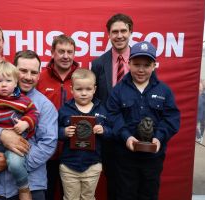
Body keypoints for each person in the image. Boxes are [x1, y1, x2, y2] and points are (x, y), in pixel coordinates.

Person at [0, 50, 58, 200]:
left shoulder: (45, 106)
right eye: (23, 71)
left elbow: (48, 145)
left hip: (31, 187)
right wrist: (2, 135)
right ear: (13, 71)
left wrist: (10, 163)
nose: (28, 77)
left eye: (34, 72)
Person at [106, 41, 180, 200]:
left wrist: (159, 138)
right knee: (124, 195)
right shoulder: (118, 90)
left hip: (153, 159)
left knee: (149, 195)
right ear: (129, 63)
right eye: (136, 64)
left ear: (154, 65)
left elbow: (171, 119)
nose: (141, 69)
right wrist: (126, 137)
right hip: (125, 158)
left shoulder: (164, 91)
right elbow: (112, 116)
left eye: (146, 65)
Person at [91, 13, 133, 200]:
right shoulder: (99, 63)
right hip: (110, 137)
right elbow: (96, 99)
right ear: (108, 35)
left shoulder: (140, 60)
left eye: (123, 30)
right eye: (114, 31)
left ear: (130, 32)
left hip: (137, 133)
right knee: (115, 186)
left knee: (136, 185)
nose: (119, 35)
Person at [36, 34, 79, 200]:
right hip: (45, 152)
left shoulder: (81, 77)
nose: (66, 56)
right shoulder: (40, 77)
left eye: (70, 51)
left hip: (74, 151)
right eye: (61, 51)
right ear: (52, 52)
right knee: (45, 194)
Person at [58, 69, 111, 200]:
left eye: (88, 89)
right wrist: (63, 132)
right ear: (71, 89)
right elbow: (53, 132)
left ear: (94, 89)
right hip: (69, 166)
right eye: (79, 89)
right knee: (70, 198)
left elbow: (112, 132)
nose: (84, 93)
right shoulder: (64, 109)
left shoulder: (102, 109)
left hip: (92, 165)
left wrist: (103, 130)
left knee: (88, 197)